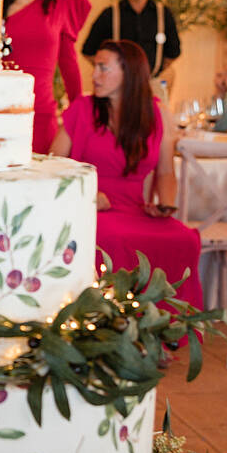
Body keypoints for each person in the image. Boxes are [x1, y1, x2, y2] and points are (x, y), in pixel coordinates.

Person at [52, 40, 203, 309]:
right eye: (95, 67)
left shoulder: (156, 113)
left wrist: (165, 205)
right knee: (109, 237)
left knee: (183, 239)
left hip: (135, 208)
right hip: (89, 206)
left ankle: (163, 324)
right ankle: (108, 318)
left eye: (103, 68)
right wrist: (86, 195)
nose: (94, 75)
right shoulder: (82, 108)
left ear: (129, 73)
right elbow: (53, 167)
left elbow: (166, 172)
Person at [0, 0, 91, 153]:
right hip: (1, 110)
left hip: (41, 112)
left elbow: (68, 62)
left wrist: (79, 108)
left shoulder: (60, 7)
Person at [82, 0, 180, 94]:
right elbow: (89, 51)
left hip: (152, 86)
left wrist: (154, 71)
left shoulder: (163, 14)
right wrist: (107, 71)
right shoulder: (110, 14)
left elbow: (174, 52)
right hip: (117, 88)